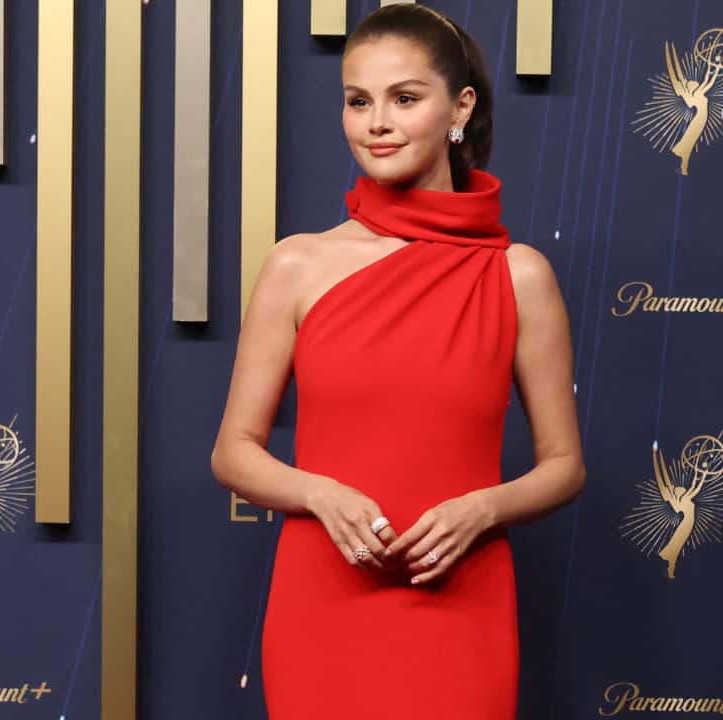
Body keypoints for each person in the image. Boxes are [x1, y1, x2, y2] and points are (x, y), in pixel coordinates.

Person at [209, 5, 585, 719]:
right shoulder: (299, 263)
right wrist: (321, 494)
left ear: (459, 107)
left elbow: (564, 463)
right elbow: (234, 452)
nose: (376, 123)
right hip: (323, 601)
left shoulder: (518, 277)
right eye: (358, 101)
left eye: (404, 98)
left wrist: (483, 508)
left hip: (461, 604)